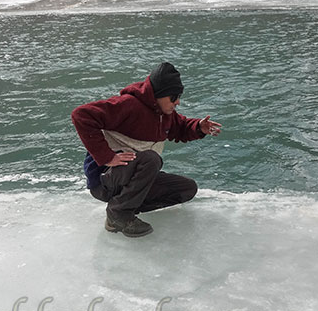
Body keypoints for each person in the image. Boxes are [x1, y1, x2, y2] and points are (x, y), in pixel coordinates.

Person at [71, 62, 222, 238]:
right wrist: (107, 157)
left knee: (186, 188)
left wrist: (198, 127)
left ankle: (126, 209)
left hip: (128, 179)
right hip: (105, 180)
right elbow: (81, 115)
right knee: (151, 159)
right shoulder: (128, 105)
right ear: (159, 94)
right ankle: (118, 212)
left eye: (179, 96)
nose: (178, 102)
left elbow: (180, 127)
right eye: (174, 97)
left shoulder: (164, 115)